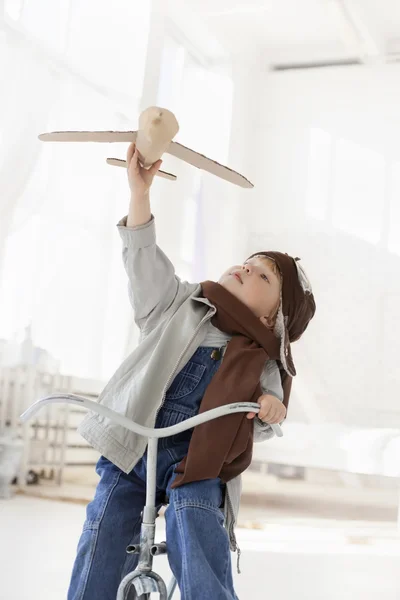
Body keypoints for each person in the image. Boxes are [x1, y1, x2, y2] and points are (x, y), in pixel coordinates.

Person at [68, 143, 316, 599]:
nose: (246, 267)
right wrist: (140, 194)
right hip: (135, 443)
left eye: (263, 277)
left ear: (272, 320)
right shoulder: (180, 303)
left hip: (197, 461)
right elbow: (144, 264)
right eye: (248, 261)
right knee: (105, 524)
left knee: (197, 520)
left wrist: (270, 407)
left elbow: (265, 412)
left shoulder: (260, 357)